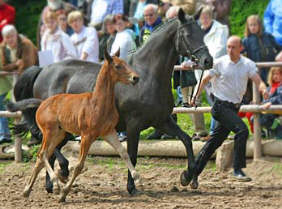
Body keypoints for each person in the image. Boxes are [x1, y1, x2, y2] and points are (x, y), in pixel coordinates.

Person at [191, 36, 268, 182]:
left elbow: (258, 81)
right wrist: (196, 94)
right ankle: (237, 169)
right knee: (242, 130)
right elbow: (205, 79)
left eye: (233, 47)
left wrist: (264, 90)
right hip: (220, 106)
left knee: (214, 143)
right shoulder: (220, 63)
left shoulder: (247, 64)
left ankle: (192, 172)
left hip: (233, 109)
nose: (230, 50)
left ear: (241, 48)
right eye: (228, 47)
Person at [193, 5, 229, 139]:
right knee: (211, 101)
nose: (205, 19)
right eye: (202, 17)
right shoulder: (198, 31)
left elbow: (220, 49)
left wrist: (205, 61)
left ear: (211, 16)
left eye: (207, 16)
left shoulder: (221, 29)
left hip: (216, 70)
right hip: (201, 72)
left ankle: (215, 132)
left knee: (217, 101)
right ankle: (212, 131)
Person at [243, 15, 282, 84]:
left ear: (259, 25)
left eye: (255, 25)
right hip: (257, 71)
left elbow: (279, 48)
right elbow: (239, 54)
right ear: (248, 27)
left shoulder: (268, 36)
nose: (253, 27)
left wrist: (279, 56)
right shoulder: (246, 41)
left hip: (271, 69)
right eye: (250, 25)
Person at [260, 66, 282, 139]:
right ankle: (273, 129)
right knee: (254, 118)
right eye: (273, 74)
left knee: (263, 119)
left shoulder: (280, 86)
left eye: (278, 74)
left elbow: (279, 98)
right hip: (269, 111)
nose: (275, 76)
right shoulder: (269, 88)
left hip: (277, 111)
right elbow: (264, 100)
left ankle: (276, 128)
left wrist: (270, 102)